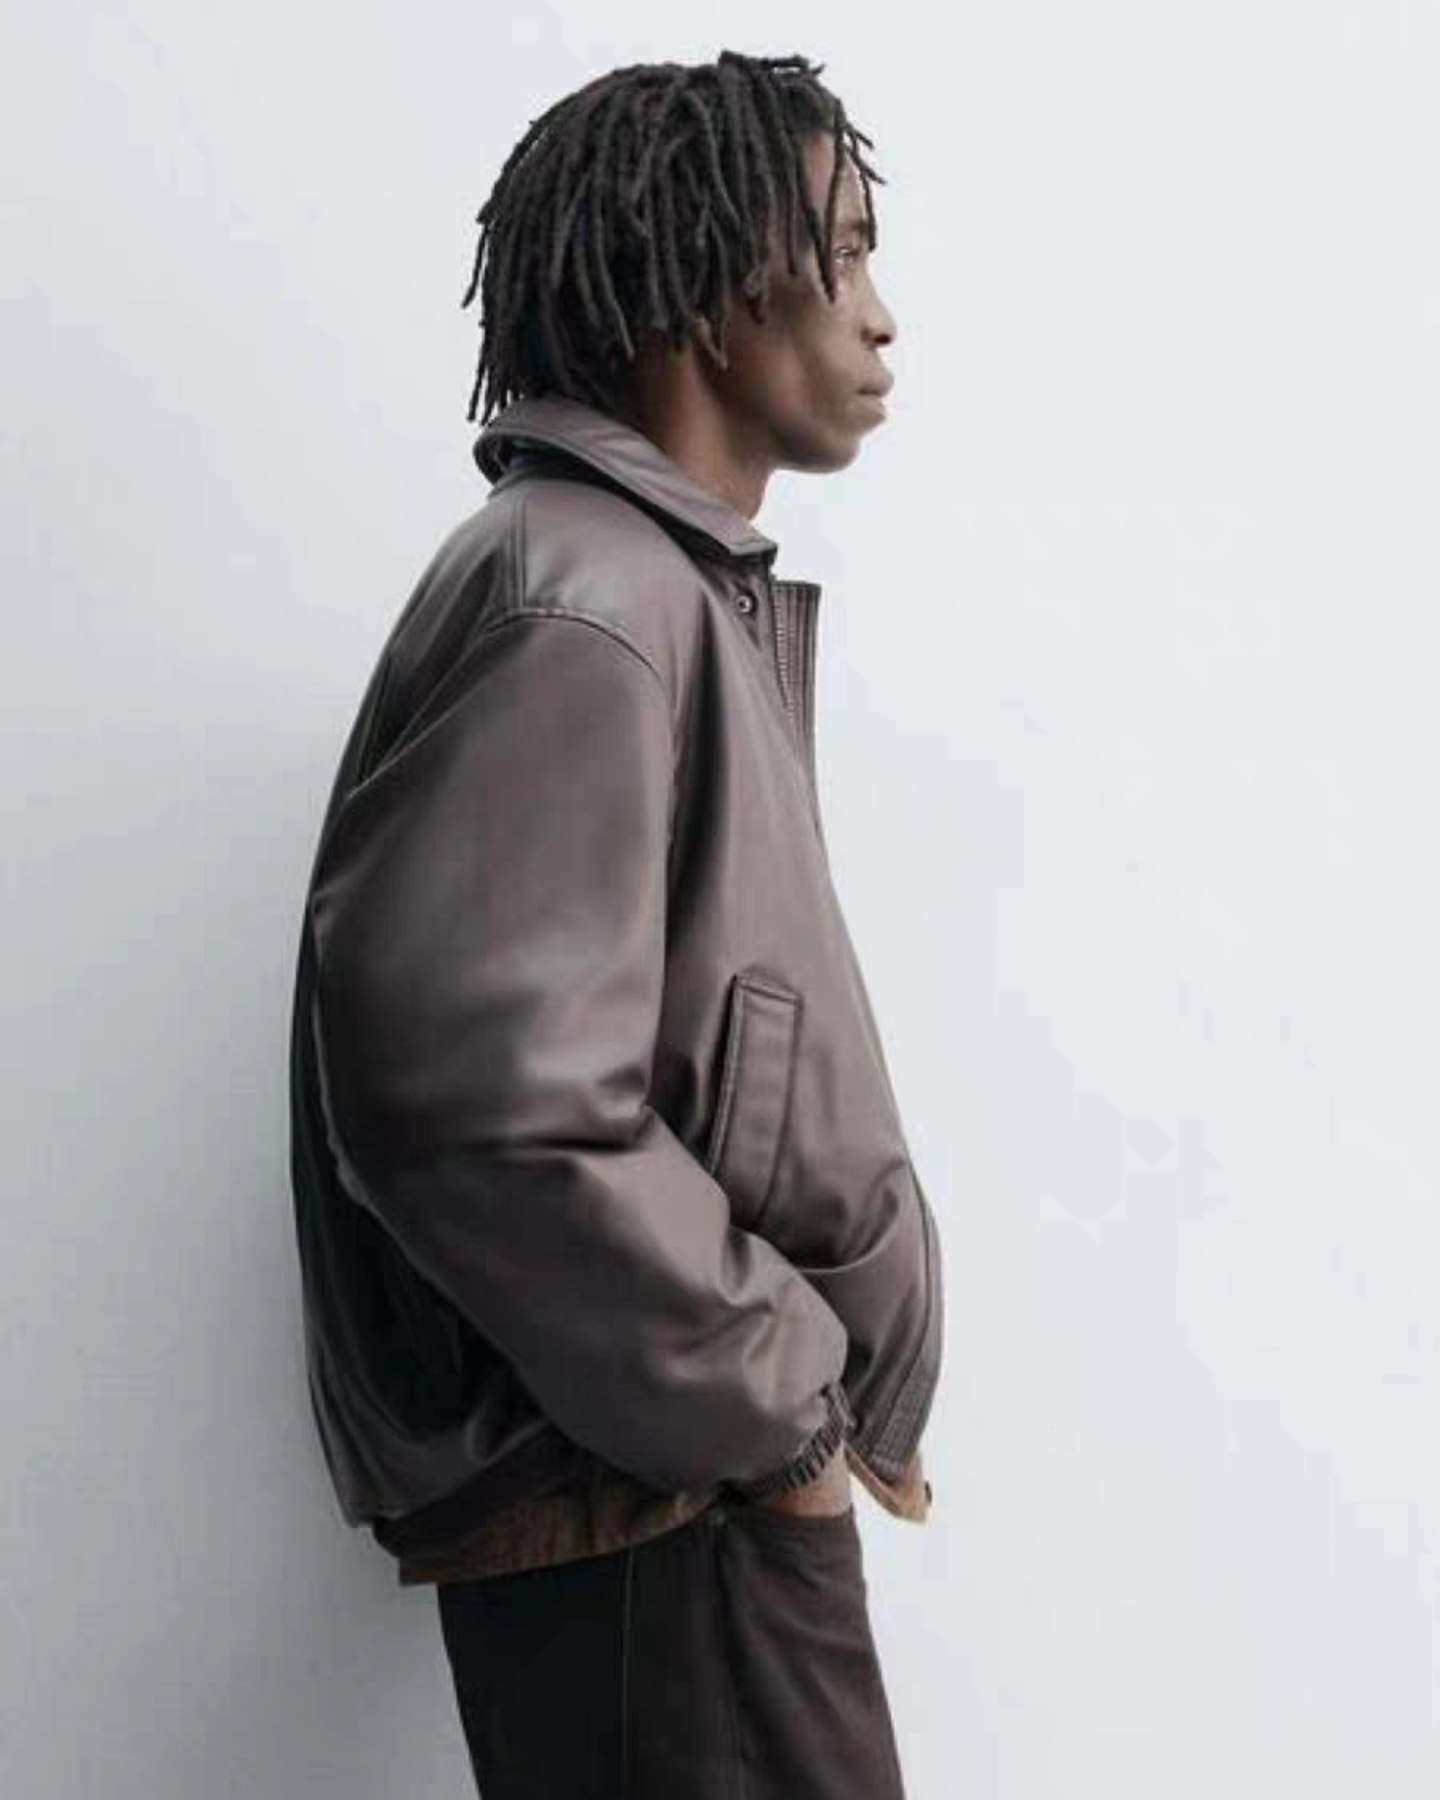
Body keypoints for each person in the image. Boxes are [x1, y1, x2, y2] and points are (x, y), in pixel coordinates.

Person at [288, 47, 944, 1798]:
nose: (882, 316)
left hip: (672, 1493)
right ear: (709, 302)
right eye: (843, 253)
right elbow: (474, 1104)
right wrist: (775, 1413)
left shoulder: (633, 584)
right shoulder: (588, 598)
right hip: (665, 1509)